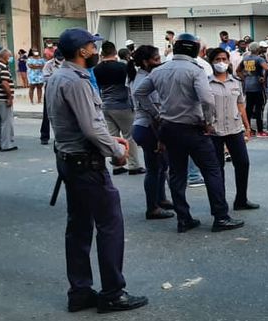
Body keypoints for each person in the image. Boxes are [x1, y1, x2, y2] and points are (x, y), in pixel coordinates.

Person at [45, 28, 147, 314]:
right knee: (109, 224)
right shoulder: (76, 81)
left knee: (78, 227)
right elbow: (91, 127)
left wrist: (109, 140)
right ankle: (113, 292)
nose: (95, 50)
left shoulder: (57, 77)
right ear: (82, 51)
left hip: (69, 159)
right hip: (84, 163)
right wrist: (116, 151)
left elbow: (82, 124)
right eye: (92, 46)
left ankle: (79, 291)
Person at [133, 33, 245, 234]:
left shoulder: (160, 70)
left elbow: (139, 93)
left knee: (177, 174)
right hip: (193, 127)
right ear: (193, 49)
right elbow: (207, 100)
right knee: (212, 171)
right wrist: (208, 122)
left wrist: (156, 114)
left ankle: (183, 219)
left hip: (168, 127)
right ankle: (221, 216)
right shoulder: (195, 70)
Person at [207, 48, 259, 211]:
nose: (221, 62)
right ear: (212, 62)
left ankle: (241, 199)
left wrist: (247, 125)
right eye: (217, 59)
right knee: (217, 168)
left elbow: (240, 104)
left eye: (224, 59)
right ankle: (220, 203)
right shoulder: (205, 83)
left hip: (235, 129)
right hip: (214, 130)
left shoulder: (235, 82)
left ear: (229, 61)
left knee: (243, 163)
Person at [127, 45, 174, 220]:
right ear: (145, 62)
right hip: (148, 127)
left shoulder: (145, 75)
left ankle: (160, 199)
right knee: (154, 168)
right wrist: (157, 115)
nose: (159, 62)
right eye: (155, 59)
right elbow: (141, 97)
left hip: (146, 126)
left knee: (161, 166)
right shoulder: (143, 80)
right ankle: (152, 207)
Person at [93, 41, 144, 176]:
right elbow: (130, 85)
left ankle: (117, 165)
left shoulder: (97, 69)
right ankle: (134, 165)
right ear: (115, 52)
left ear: (102, 53)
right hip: (122, 105)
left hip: (105, 105)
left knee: (114, 136)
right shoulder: (122, 67)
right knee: (129, 135)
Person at [237, 43, 268, 136]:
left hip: (248, 85)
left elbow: (238, 70)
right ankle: (260, 130)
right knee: (259, 108)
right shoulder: (259, 59)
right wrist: (264, 78)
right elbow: (267, 68)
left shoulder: (245, 58)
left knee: (249, 108)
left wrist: (244, 78)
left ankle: (249, 129)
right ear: (258, 49)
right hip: (257, 86)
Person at [40, 48, 64, 145]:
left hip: (63, 89)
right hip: (50, 89)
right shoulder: (49, 64)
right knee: (47, 113)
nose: (60, 60)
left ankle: (61, 136)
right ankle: (44, 136)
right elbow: (46, 78)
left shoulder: (66, 63)